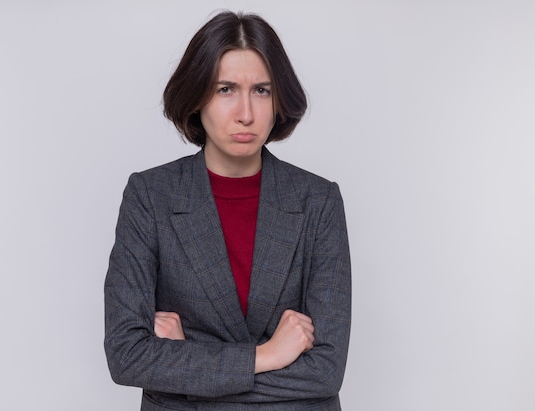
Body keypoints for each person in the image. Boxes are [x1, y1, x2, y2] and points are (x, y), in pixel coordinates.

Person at [104, 10, 351, 410]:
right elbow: (127, 355)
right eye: (225, 89)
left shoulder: (317, 201)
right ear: (196, 95)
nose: (246, 114)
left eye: (262, 91)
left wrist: (186, 369)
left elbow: (325, 370)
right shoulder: (150, 196)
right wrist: (267, 354)